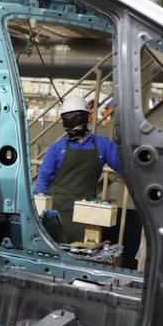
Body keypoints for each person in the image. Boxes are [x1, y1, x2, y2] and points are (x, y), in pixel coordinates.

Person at [33, 95, 119, 243]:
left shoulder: (104, 146)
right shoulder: (56, 149)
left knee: (83, 251)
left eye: (75, 116)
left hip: (86, 214)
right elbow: (42, 182)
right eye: (67, 117)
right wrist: (37, 214)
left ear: (85, 117)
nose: (71, 119)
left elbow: (126, 168)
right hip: (56, 215)